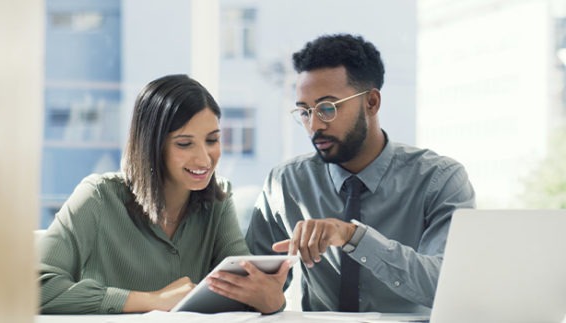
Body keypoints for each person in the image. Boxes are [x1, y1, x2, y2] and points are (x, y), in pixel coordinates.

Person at [245, 34, 475, 314]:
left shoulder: (439, 179)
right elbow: (254, 287)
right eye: (305, 112)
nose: (313, 125)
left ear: (372, 103)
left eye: (327, 108)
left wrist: (354, 237)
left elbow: (446, 286)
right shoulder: (285, 183)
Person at [38, 74, 290, 314]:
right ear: (152, 145)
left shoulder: (218, 199)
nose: (204, 158)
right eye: (184, 143)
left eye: (212, 140)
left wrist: (271, 299)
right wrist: (152, 300)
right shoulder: (98, 197)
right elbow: (35, 287)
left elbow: (239, 287)